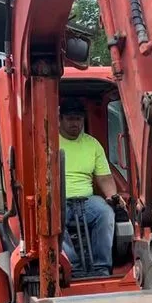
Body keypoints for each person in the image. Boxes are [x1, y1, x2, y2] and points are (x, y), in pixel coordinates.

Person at [59, 97, 121, 276]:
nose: (75, 123)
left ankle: (101, 268)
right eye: (70, 119)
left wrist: (112, 196)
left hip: (87, 201)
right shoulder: (49, 142)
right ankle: (74, 267)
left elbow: (105, 178)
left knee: (105, 212)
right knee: (52, 218)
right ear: (60, 119)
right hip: (59, 200)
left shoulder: (92, 144)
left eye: (78, 119)